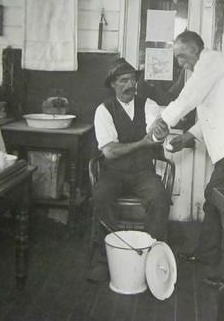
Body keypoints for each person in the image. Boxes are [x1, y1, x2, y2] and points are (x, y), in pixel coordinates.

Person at [152, 30, 224, 288]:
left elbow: (189, 97)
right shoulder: (208, 70)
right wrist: (187, 137)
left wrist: (163, 121)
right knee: (213, 197)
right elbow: (211, 112)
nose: (180, 63)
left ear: (195, 48)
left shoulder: (211, 62)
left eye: (182, 56)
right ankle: (207, 255)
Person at [87, 58, 171, 282]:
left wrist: (158, 131)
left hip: (143, 172)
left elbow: (155, 135)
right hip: (114, 172)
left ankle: (150, 256)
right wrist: (142, 143)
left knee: (159, 197)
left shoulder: (149, 104)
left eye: (132, 80)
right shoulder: (103, 110)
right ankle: (107, 259)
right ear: (113, 84)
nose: (129, 85)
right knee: (101, 195)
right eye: (123, 80)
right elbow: (110, 152)